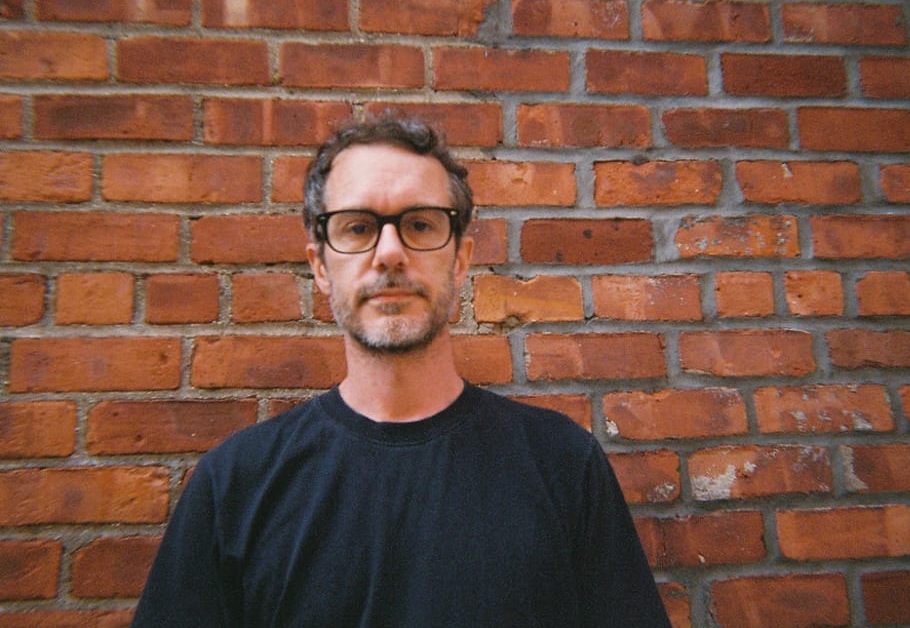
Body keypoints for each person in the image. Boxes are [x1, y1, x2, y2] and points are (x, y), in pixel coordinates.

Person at [131, 115, 672, 627]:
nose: (389, 253)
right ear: (321, 264)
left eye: (419, 223)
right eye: (358, 226)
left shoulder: (562, 467)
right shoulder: (235, 485)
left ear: (460, 258)